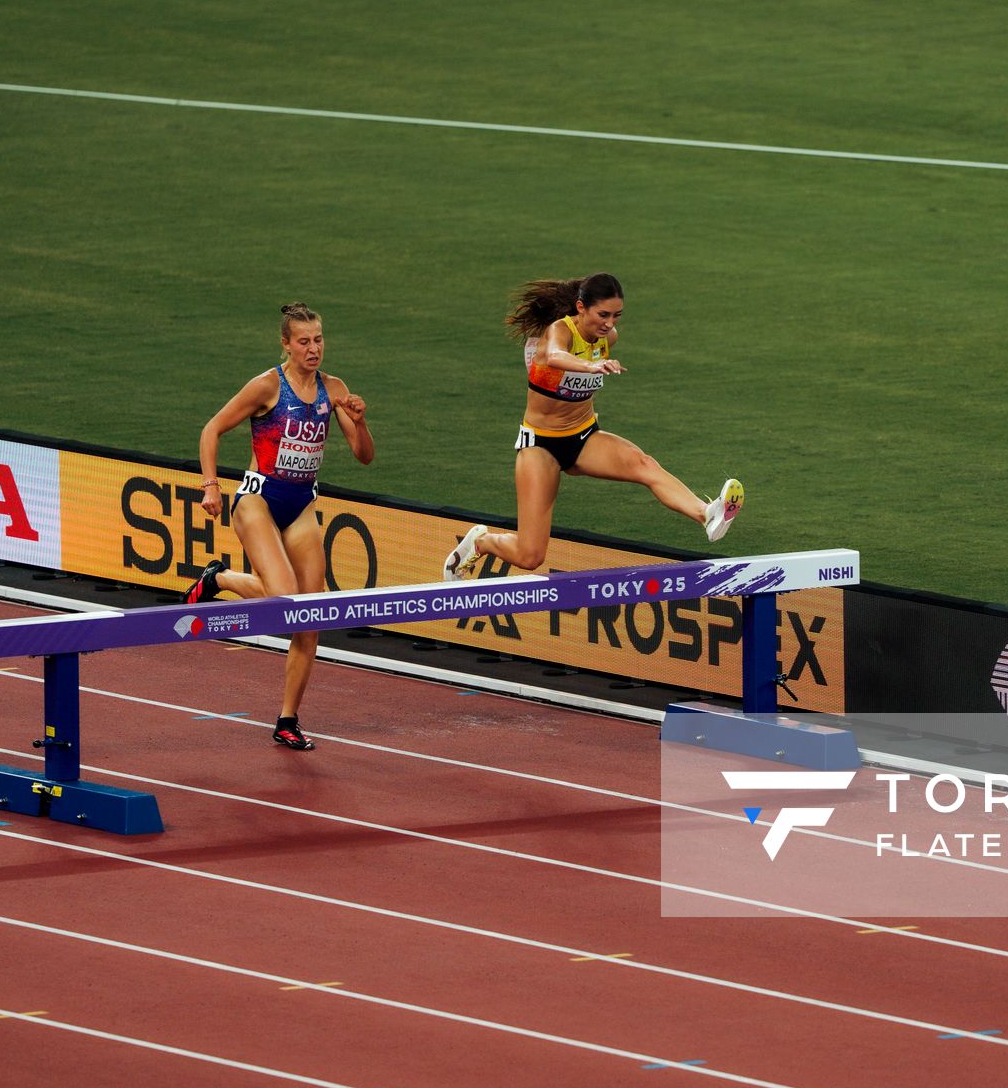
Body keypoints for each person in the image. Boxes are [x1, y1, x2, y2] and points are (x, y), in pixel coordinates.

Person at [444, 273, 742, 579]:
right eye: (603, 315)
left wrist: (593, 363)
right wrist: (589, 365)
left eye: (616, 316)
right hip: (541, 447)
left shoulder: (606, 339)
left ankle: (707, 514)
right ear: (580, 307)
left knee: (644, 464)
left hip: (584, 438)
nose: (610, 324)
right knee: (530, 556)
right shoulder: (559, 331)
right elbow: (554, 355)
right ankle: (480, 542)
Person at [184, 302, 373, 750]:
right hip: (257, 501)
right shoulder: (267, 386)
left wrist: (361, 423)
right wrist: (211, 487)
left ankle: (288, 719)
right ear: (286, 344)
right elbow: (211, 429)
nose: (314, 349)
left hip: (301, 503)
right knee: (282, 598)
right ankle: (221, 578)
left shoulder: (334, 389)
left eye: (319, 340)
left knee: (310, 617)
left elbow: (364, 455)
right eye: (304, 341)